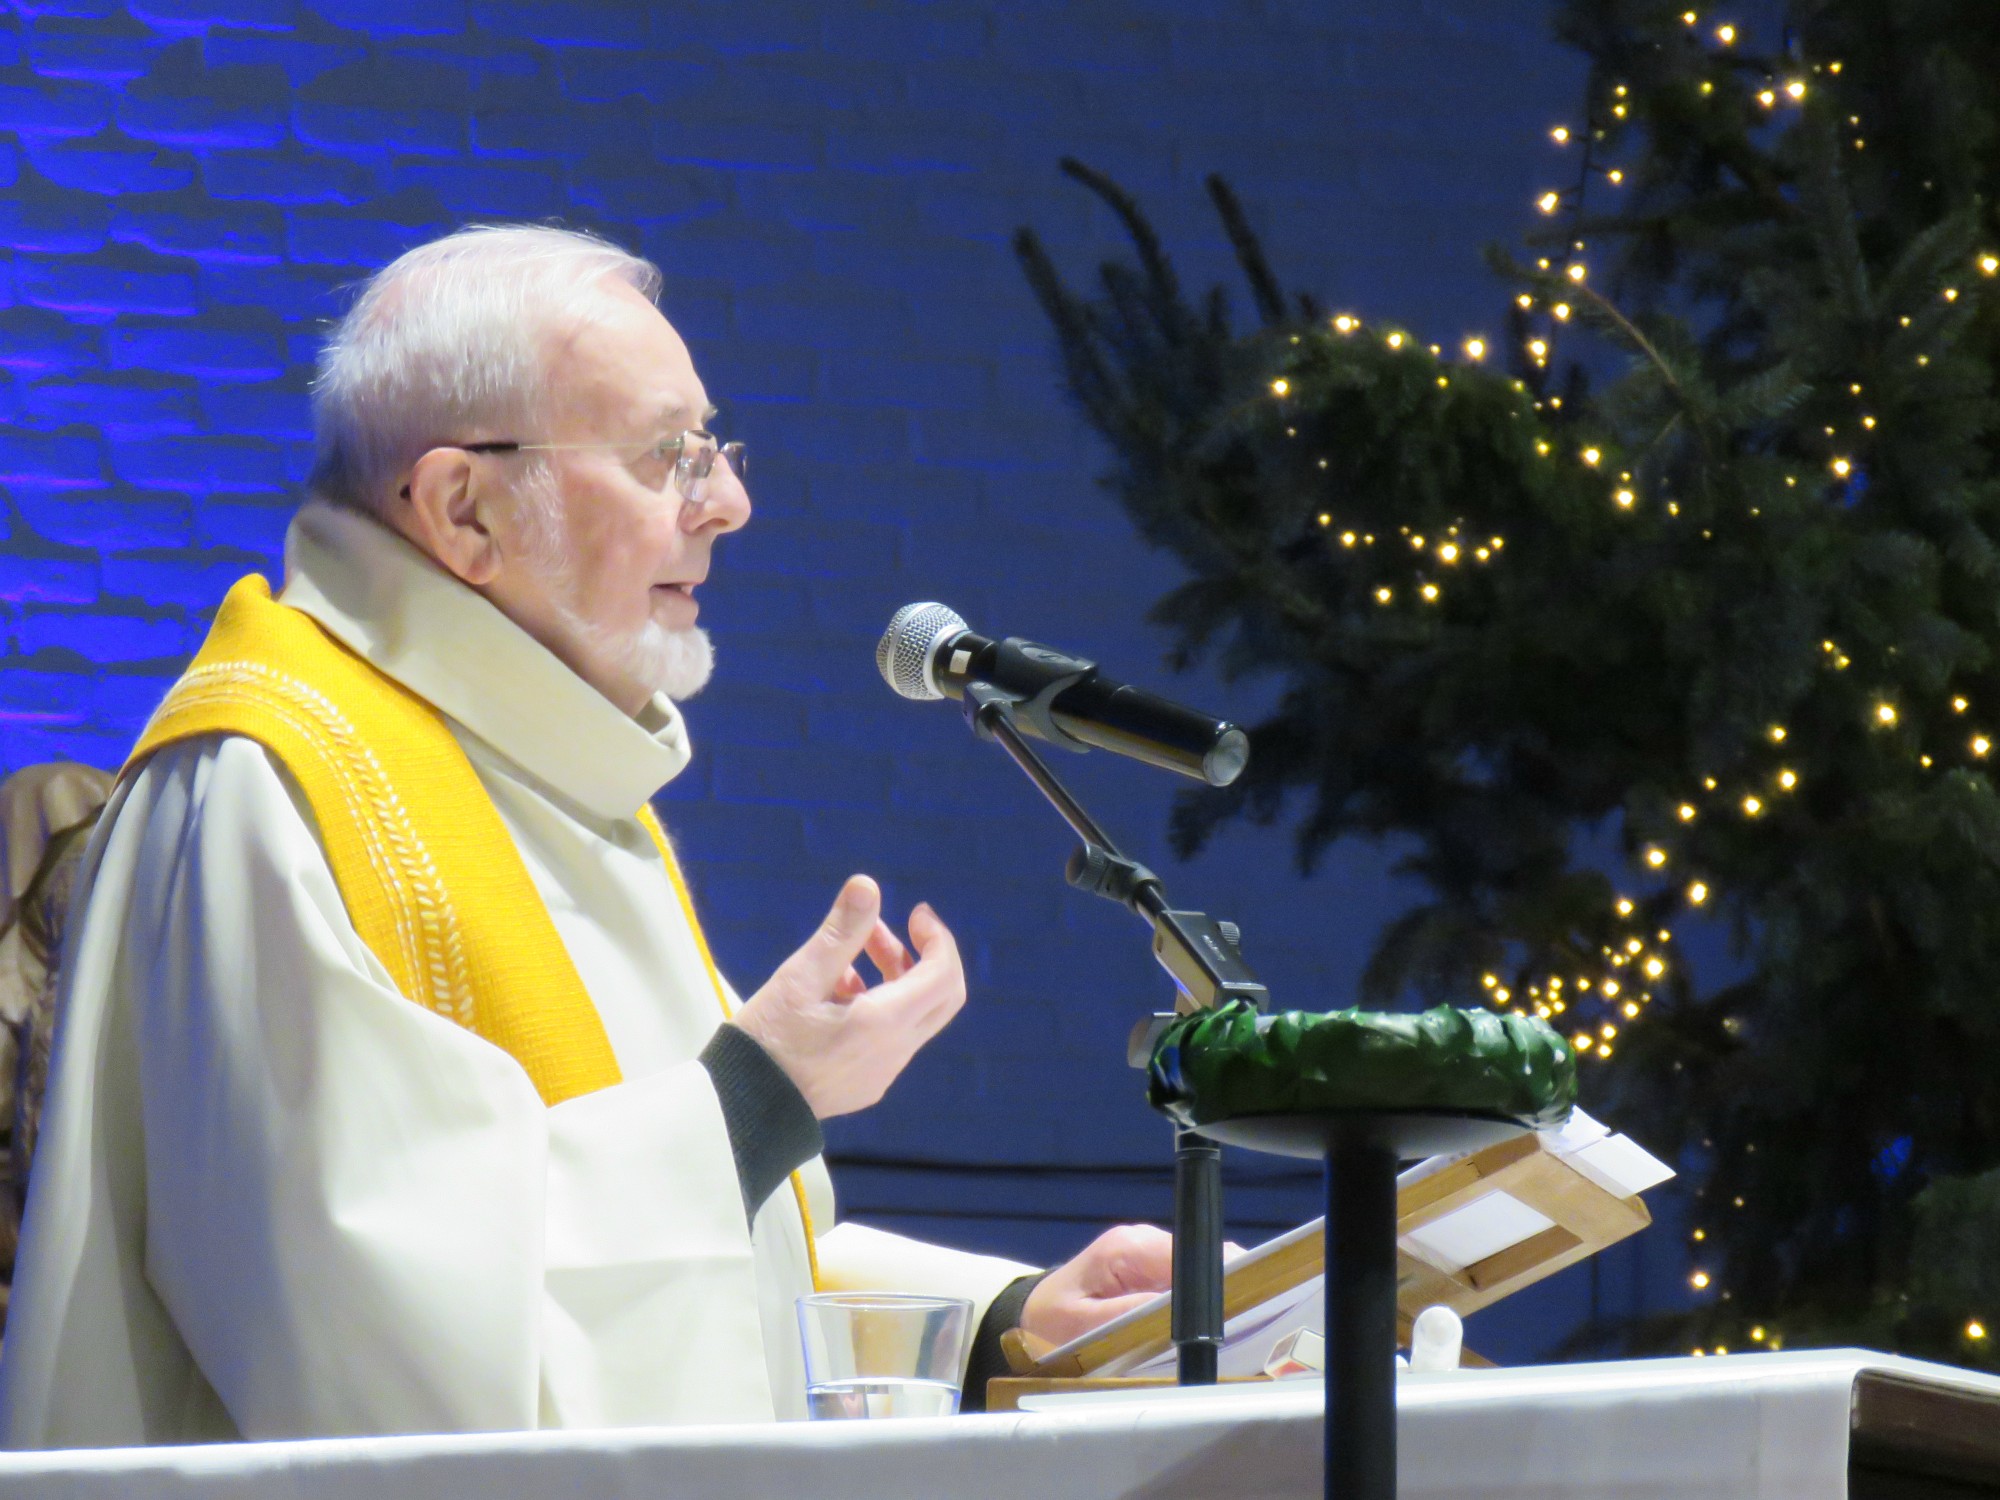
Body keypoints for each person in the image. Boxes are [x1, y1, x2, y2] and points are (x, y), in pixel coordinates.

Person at [0, 226, 1172, 1448]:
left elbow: (716, 1265)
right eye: (668, 456)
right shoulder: (272, 784)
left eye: (714, 448)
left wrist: (1009, 1320)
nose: (728, 503)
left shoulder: (552, 774)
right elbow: (365, 1339)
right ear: (465, 507)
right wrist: (755, 1095)